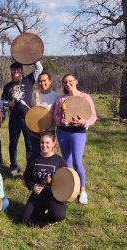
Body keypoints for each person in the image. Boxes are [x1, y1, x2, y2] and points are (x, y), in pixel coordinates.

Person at [53, 74, 97, 204]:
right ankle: (71, 188)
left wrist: (84, 122)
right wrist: (61, 120)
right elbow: (55, 116)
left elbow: (93, 117)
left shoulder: (85, 97)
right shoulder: (61, 99)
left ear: (76, 82)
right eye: (65, 82)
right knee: (67, 162)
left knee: (77, 161)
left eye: (70, 81)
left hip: (78, 133)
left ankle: (82, 190)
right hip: (63, 132)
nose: (68, 84)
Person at [1, 61, 43, 175]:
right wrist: (7, 104)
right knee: (13, 144)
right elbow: (2, 100)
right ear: (11, 71)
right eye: (13, 70)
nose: (15, 71)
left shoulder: (28, 80)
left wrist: (32, 58)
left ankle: (29, 168)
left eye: (18, 69)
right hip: (14, 119)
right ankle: (13, 166)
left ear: (21, 71)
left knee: (29, 144)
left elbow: (39, 68)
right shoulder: (8, 86)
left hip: (28, 118)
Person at [21, 132, 68, 226]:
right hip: (38, 195)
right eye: (42, 142)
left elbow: (65, 182)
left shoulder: (60, 161)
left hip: (54, 195)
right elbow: (26, 176)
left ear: (53, 143)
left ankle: (49, 215)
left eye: (47, 143)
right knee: (25, 222)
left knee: (59, 215)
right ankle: (42, 210)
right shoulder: (34, 158)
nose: (44, 145)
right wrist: (33, 185)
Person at [30, 72, 59, 160]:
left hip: (48, 133)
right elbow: (32, 112)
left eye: (44, 81)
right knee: (35, 156)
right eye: (39, 81)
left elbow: (57, 115)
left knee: (49, 157)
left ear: (50, 81)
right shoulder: (35, 94)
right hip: (35, 132)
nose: (42, 83)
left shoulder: (56, 96)